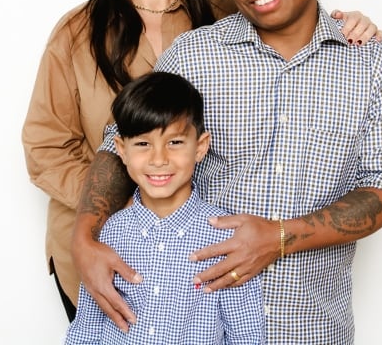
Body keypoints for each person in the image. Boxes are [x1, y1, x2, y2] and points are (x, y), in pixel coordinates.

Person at [22, 0, 382, 322]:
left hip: (203, 265)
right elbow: (46, 147)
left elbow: (295, 28)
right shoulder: (76, 32)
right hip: (102, 254)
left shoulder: (232, 12)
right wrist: (133, 205)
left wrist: (348, 25)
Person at [64, 71, 265, 344]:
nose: (159, 159)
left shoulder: (226, 238)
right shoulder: (110, 232)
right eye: (143, 144)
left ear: (200, 147)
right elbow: (87, 329)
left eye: (175, 142)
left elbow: (247, 337)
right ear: (122, 150)